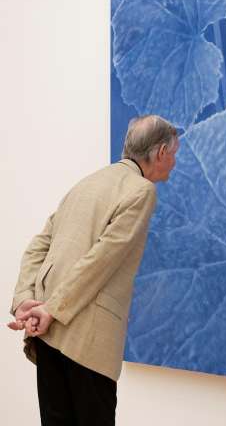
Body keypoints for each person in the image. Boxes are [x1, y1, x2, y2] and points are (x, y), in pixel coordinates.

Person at [7, 115, 179, 426]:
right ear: (161, 152)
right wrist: (51, 310)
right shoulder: (141, 190)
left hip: (48, 336)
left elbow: (38, 246)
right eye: (174, 153)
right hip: (87, 343)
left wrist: (24, 300)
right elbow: (101, 261)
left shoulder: (87, 182)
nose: (175, 162)